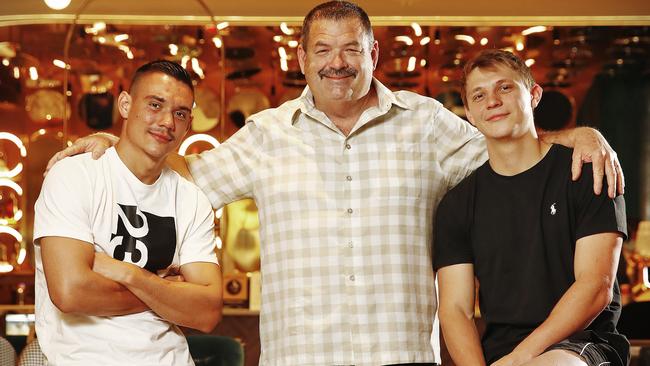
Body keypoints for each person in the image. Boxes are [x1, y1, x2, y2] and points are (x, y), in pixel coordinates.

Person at [45, 2, 625, 365]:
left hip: (402, 358)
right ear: (301, 58)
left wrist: (580, 134)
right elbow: (185, 179)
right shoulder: (267, 134)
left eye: (352, 48)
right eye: (323, 49)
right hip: (299, 358)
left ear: (375, 52)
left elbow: (510, 145)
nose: (337, 62)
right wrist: (113, 144)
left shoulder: (427, 124)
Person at [434, 49, 629, 366]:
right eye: (479, 95)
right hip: (501, 353)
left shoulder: (587, 171)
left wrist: (519, 359)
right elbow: (455, 309)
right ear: (469, 113)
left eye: (505, 88)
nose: (492, 101)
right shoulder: (457, 205)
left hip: (582, 345)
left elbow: (596, 286)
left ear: (534, 95)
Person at [34, 60, 223, 365]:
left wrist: (129, 274)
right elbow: (70, 292)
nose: (167, 122)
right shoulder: (75, 176)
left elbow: (207, 311)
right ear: (125, 104)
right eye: (154, 105)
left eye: (180, 113)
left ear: (188, 125)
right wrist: (166, 291)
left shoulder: (191, 200)